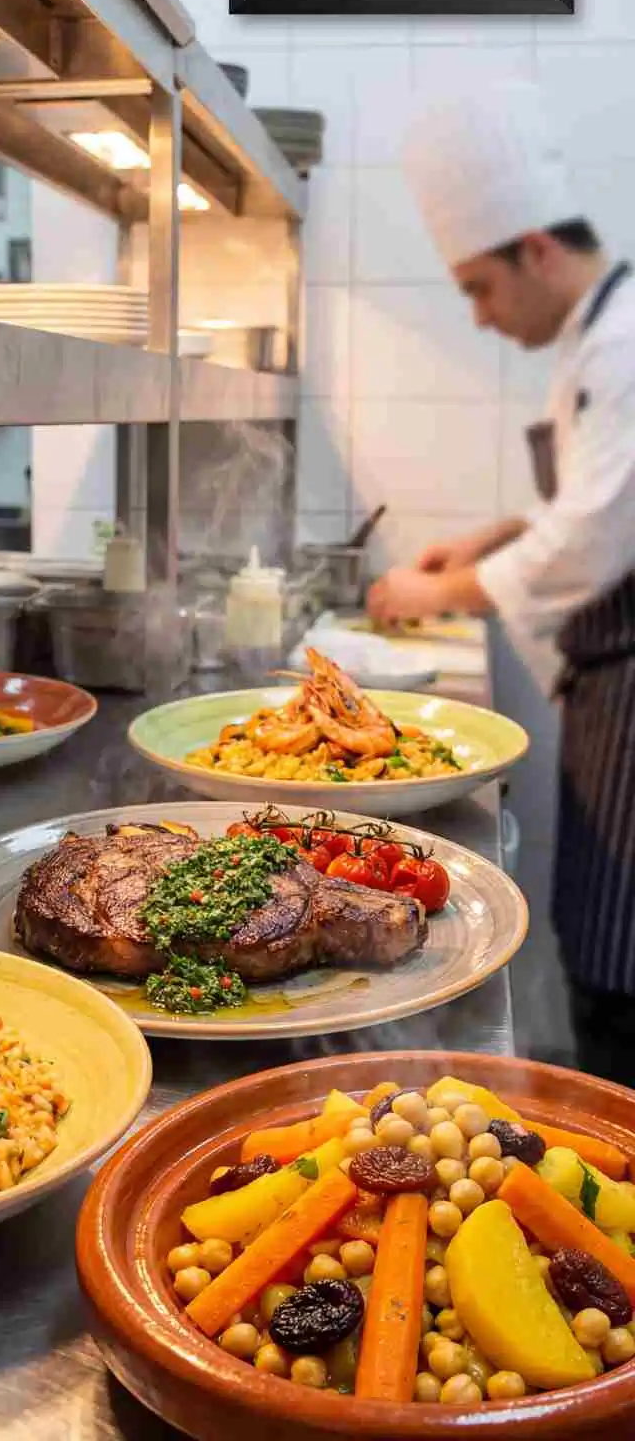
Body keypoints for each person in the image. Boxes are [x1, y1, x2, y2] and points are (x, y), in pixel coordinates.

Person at [367, 84, 635, 1077]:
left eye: (478, 287)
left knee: (621, 977)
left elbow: (591, 544)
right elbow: (599, 510)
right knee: (605, 955)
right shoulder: (597, 339)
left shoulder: (623, 341)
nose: (478, 316)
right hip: (612, 694)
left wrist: (429, 594)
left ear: (534, 247)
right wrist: (492, 539)